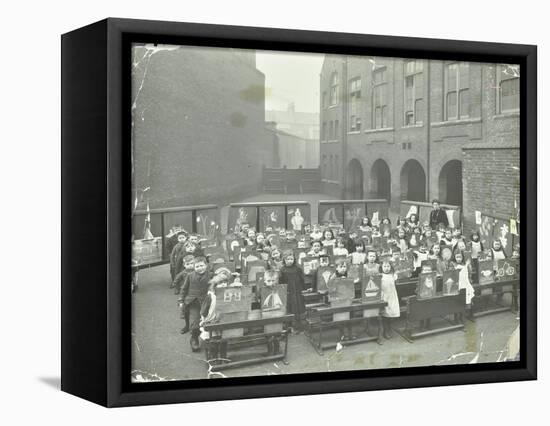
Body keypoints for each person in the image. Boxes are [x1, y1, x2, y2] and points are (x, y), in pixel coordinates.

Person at [179, 257, 212, 352]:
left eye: (201, 265)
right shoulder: (190, 276)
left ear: (206, 265)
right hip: (193, 302)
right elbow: (184, 289)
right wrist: (181, 300)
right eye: (197, 266)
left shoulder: (210, 275)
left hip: (206, 302)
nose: (200, 268)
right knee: (195, 323)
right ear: (194, 267)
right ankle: (194, 339)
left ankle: (209, 339)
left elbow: (223, 276)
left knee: (209, 321)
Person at [279, 250, 307, 333]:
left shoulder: (297, 269)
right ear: (284, 260)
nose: (290, 261)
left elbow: (302, 279)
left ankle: (299, 326)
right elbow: (281, 282)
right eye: (288, 259)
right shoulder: (282, 269)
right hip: (288, 292)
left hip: (297, 291)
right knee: (290, 308)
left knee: (299, 308)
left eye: (291, 259)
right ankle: (290, 326)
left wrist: (304, 288)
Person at [379, 259, 400, 339]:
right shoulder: (380, 276)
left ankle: (389, 327)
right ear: (381, 267)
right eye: (384, 266)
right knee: (385, 314)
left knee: (392, 313)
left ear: (391, 267)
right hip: (384, 296)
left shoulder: (393, 275)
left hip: (392, 296)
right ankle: (385, 330)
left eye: (388, 266)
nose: (386, 268)